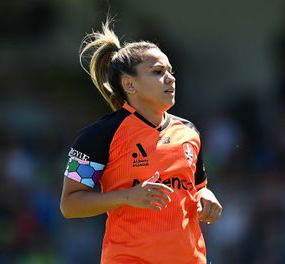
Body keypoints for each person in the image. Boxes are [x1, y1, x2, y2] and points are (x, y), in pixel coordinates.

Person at [60, 18, 222, 264]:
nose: (170, 78)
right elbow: (70, 204)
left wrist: (207, 197)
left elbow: (198, 187)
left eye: (170, 71)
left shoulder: (189, 132)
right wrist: (128, 196)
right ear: (129, 84)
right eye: (158, 72)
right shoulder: (98, 136)